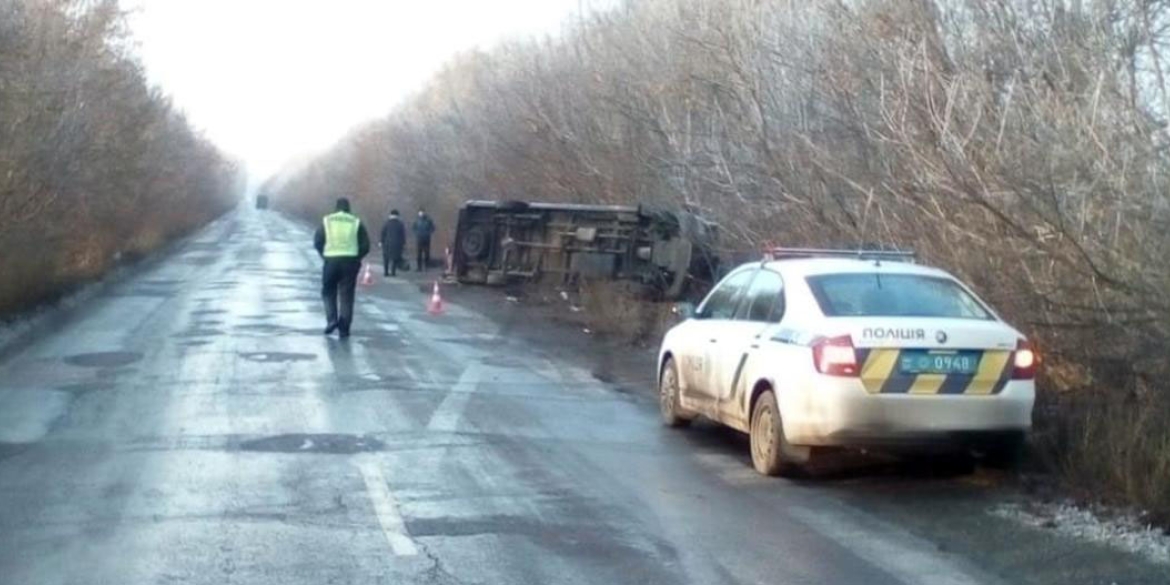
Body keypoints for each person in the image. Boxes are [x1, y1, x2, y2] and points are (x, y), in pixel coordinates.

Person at [313, 198, 370, 338]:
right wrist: (356, 257)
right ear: (348, 208)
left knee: (328, 291)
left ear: (336, 207)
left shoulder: (327, 220)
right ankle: (344, 328)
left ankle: (331, 320)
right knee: (347, 295)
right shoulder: (356, 221)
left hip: (331, 261)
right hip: (350, 262)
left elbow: (318, 241)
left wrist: (324, 255)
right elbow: (366, 245)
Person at [379, 209, 406, 276]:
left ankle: (386, 272)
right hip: (397, 244)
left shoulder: (386, 223)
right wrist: (403, 243)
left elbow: (383, 233)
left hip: (387, 243)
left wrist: (381, 241)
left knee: (386, 258)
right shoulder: (400, 224)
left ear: (390, 215)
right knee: (395, 258)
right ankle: (393, 272)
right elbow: (402, 234)